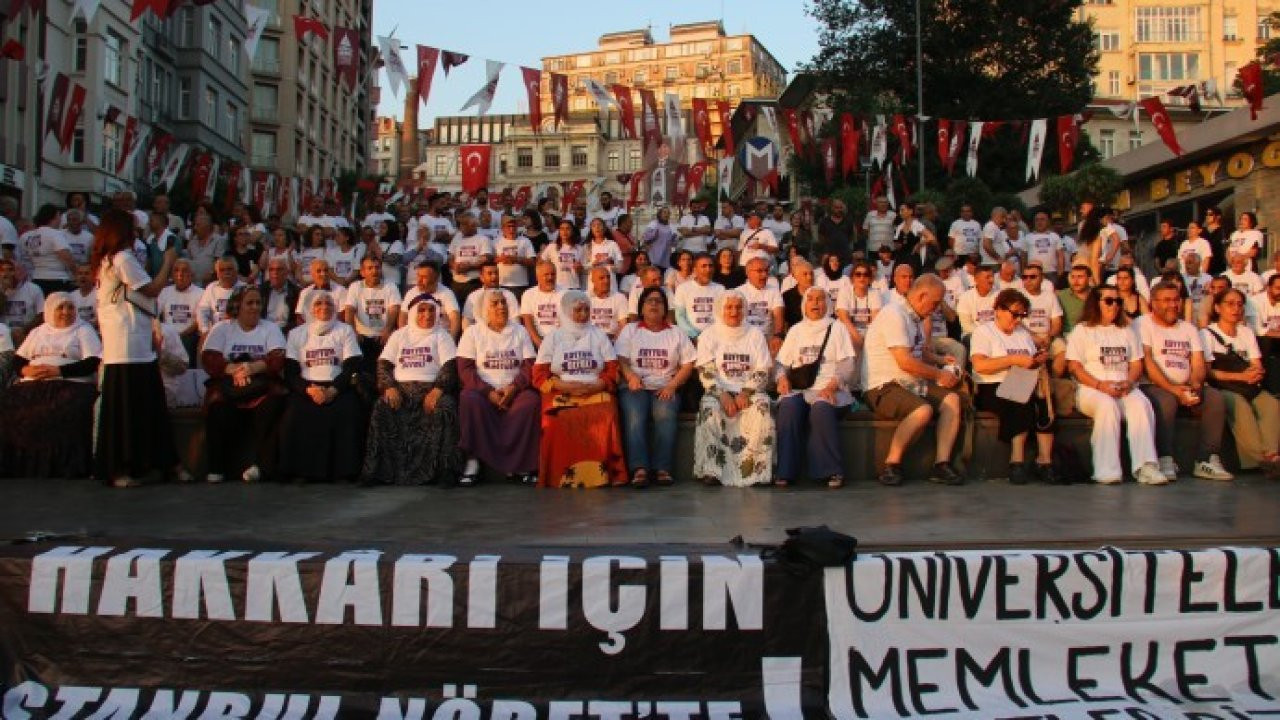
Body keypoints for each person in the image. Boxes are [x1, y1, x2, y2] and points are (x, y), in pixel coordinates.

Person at [92, 207, 187, 487]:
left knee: (144, 406)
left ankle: (148, 463)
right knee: (131, 407)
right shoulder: (121, 259)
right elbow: (153, 288)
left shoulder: (109, 261)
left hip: (131, 341)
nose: (136, 235)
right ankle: (123, 466)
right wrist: (168, 261)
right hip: (127, 343)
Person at [862, 275, 965, 486]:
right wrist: (939, 375)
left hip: (910, 383)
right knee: (922, 410)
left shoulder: (914, 318)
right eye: (935, 303)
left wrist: (940, 360)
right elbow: (905, 362)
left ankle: (941, 464)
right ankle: (892, 464)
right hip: (883, 385)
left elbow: (919, 352)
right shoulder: (894, 314)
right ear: (922, 295)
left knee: (952, 401)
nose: (936, 309)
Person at [1066, 286, 1165, 485]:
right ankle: (1107, 470)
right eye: (1109, 301)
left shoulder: (1126, 331)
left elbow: (1136, 363)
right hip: (1091, 388)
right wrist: (1100, 385)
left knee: (1141, 405)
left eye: (1118, 302)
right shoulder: (1082, 330)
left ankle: (1146, 466)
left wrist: (1129, 382)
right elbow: (1074, 367)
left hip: (1124, 385)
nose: (1115, 306)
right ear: (1096, 303)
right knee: (1107, 406)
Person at [1136, 281, 1233, 482]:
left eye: (1176, 300)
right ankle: (1165, 458)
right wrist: (1174, 389)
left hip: (1186, 384)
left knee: (1214, 399)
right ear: (1153, 303)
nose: (1173, 305)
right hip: (1153, 385)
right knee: (1166, 402)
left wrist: (1196, 384)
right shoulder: (1142, 324)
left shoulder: (1188, 328)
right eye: (1167, 300)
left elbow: (1197, 360)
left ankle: (1206, 460)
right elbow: (1147, 362)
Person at [362, 296, 463, 486]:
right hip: (400, 390)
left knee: (446, 407)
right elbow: (383, 364)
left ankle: (445, 472)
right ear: (414, 313)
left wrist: (438, 390)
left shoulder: (442, 335)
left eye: (431, 310)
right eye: (422, 310)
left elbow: (449, 366)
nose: (427, 315)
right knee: (381, 407)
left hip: (431, 389)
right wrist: (389, 386)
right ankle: (377, 473)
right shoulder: (399, 335)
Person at [531, 290, 626, 488]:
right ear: (566, 312)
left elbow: (612, 368)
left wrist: (600, 384)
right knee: (552, 419)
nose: (583, 315)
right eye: (578, 310)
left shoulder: (598, 335)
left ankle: (604, 476)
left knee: (607, 413)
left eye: (586, 310)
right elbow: (539, 375)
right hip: (561, 391)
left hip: (595, 389)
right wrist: (563, 385)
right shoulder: (553, 338)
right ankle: (558, 476)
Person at [0, 293, 101, 478]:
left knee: (64, 408)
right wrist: (25, 370)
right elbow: (18, 359)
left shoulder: (83, 330)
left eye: (70, 307)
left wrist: (58, 371)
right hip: (33, 383)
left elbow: (92, 362)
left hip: (70, 383)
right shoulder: (38, 332)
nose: (66, 312)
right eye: (60, 308)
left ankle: (63, 465)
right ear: (49, 310)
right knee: (9, 405)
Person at [200, 286, 287, 484]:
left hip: (260, 386)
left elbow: (279, 359)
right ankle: (216, 467)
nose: (255, 307)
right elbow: (209, 358)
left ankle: (261, 466)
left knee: (275, 406)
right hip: (229, 387)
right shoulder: (222, 328)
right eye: (249, 303)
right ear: (237, 305)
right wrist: (234, 369)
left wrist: (252, 367)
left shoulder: (270, 328)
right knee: (217, 409)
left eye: (258, 303)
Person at [970, 289, 1058, 485]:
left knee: (1044, 398)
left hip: (1022, 380)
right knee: (1021, 398)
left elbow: (1029, 359)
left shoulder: (1022, 334)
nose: (1018, 320)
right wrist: (1012, 360)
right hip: (991, 384)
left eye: (1022, 315)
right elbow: (980, 365)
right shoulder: (983, 332)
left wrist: (1035, 360)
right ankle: (1016, 460)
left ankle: (1045, 460)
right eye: (1015, 314)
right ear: (999, 310)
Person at [774, 286, 857, 488]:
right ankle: (785, 471)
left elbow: (848, 364)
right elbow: (781, 364)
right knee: (788, 408)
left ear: (827, 303)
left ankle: (830, 470)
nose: (815, 303)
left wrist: (833, 384)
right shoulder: (795, 330)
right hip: (801, 389)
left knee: (821, 408)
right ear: (804, 304)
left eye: (820, 299)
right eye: (810, 299)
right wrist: (781, 378)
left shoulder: (837, 328)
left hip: (831, 388)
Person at [456, 289, 541, 485]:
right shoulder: (472, 333)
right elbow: (466, 370)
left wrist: (513, 388)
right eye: (495, 304)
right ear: (484, 309)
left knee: (531, 402)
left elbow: (529, 365)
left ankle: (523, 465)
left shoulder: (519, 331)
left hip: (514, 389)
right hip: (483, 391)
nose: (501, 307)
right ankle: (473, 461)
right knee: (468, 399)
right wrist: (488, 392)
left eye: (503, 303)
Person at [615, 287, 696, 487]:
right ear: (641, 307)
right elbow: (621, 358)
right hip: (636, 385)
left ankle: (662, 468)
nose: (653, 304)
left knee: (665, 413)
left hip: (666, 385)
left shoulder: (676, 333)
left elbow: (688, 364)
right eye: (649, 301)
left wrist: (673, 385)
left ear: (665, 309)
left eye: (658, 301)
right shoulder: (630, 330)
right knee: (635, 414)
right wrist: (630, 375)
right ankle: (639, 468)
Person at [278, 293, 364, 482]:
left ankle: (344, 472)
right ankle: (302, 472)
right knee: (296, 414)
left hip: (338, 386)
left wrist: (333, 390)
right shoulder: (296, 334)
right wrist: (309, 390)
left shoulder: (345, 330)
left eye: (328, 303)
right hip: (307, 387)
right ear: (310, 308)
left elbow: (351, 366)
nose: (324, 307)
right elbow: (291, 372)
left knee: (349, 411)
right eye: (318, 303)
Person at [692, 290, 775, 487]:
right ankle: (712, 471)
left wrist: (746, 392)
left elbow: (763, 368)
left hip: (750, 390)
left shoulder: (755, 335)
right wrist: (723, 395)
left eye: (738, 307)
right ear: (720, 309)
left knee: (762, 410)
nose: (734, 311)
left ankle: (756, 472)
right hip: (718, 391)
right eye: (729, 307)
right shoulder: (708, 335)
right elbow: (706, 371)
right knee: (709, 410)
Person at [1202, 287, 1280, 475]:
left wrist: (1257, 371)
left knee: (1271, 404)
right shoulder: (1207, 334)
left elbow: (1255, 361)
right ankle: (1261, 458)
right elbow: (1208, 373)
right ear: (1218, 308)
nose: (1235, 308)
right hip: (1222, 386)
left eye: (1239, 304)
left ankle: (1272, 455)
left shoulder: (1246, 332)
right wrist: (1241, 377)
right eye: (1230, 304)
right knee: (1239, 406)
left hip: (1247, 384)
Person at [343, 256, 403, 368]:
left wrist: (387, 330)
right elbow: (349, 310)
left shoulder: (390, 286)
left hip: (384, 335)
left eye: (377, 267)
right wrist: (353, 332)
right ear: (362, 272)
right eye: (370, 268)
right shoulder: (355, 286)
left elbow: (394, 309)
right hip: (362, 336)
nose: (374, 271)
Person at [21, 204, 76, 295]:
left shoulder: (30, 236)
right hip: (56, 280)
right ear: (53, 218)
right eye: (59, 217)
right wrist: (76, 273)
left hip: (37, 278)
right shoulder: (55, 234)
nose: (60, 220)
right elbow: (66, 256)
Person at [737, 256, 786, 354]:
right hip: (745, 338)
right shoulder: (738, 292)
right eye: (759, 271)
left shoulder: (774, 291)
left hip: (767, 338)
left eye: (766, 271)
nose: (764, 275)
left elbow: (778, 317)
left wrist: (777, 336)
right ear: (748, 273)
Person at [400, 262, 460, 337]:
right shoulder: (411, 293)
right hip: (414, 337)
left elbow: (455, 318)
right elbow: (403, 316)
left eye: (424, 277)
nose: (419, 280)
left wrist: (451, 340)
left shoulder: (446, 293)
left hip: (438, 336)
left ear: (436, 278)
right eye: (418, 276)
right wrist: (404, 338)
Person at [835, 260, 883, 354]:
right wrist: (858, 339)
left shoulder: (875, 293)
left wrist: (868, 341)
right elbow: (844, 318)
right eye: (858, 274)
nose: (862, 278)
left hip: (869, 333)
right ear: (852, 278)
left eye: (866, 275)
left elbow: (875, 320)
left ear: (870, 279)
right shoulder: (845, 292)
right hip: (849, 331)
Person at [673, 253, 725, 340]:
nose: (708, 269)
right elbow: (680, 317)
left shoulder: (720, 289)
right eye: (703, 266)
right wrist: (695, 336)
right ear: (695, 270)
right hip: (691, 338)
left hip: (716, 336)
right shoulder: (683, 288)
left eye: (710, 266)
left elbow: (723, 315)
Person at [492, 215, 536, 296]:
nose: (511, 229)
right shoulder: (496, 242)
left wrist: (516, 259)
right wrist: (501, 259)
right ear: (503, 228)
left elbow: (532, 262)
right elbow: (491, 261)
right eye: (509, 226)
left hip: (521, 284)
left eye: (514, 226)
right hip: (502, 283)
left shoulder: (525, 241)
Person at [295, 259, 347, 326]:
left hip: (333, 330)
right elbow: (300, 317)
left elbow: (342, 316)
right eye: (319, 271)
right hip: (310, 331)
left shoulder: (341, 290)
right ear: (312, 274)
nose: (323, 274)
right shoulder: (305, 292)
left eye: (326, 270)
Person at [586, 265, 628, 340]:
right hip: (589, 339)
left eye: (608, 277)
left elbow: (623, 325)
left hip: (612, 339)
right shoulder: (585, 298)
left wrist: (613, 342)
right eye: (601, 278)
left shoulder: (619, 297)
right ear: (593, 281)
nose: (606, 281)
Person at [955, 264, 998, 338]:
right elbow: (966, 326)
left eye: (992, 277)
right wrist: (985, 334)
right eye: (987, 277)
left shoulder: (999, 295)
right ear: (976, 279)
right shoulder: (965, 297)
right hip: (973, 334)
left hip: (996, 334)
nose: (991, 280)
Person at [259, 257, 300, 333]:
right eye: (271, 270)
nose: (275, 273)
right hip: (263, 331)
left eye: (279, 269)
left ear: (287, 272)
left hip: (286, 332)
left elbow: (296, 321)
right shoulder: (260, 291)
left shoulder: (296, 292)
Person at [543, 219, 585, 291]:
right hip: (557, 287)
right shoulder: (552, 246)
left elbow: (583, 270)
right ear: (559, 231)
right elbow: (541, 262)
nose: (565, 232)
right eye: (562, 229)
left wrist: (580, 268)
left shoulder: (580, 248)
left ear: (572, 231)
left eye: (568, 228)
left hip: (574, 286)